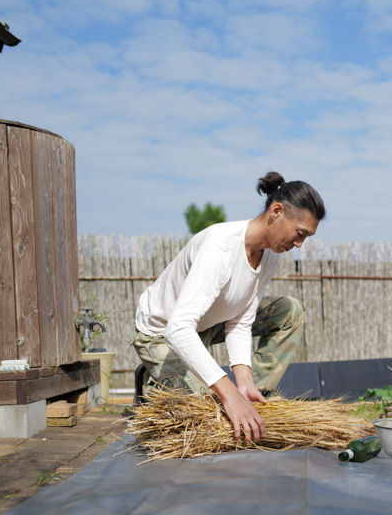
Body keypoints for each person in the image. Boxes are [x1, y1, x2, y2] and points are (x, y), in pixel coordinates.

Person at [132, 172, 325, 444]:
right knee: (208, 413)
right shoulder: (219, 248)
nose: (299, 244)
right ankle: (158, 382)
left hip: (208, 324)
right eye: (300, 233)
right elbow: (177, 329)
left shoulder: (271, 255)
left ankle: (251, 402)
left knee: (290, 310)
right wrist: (227, 393)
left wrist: (242, 381)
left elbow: (241, 319)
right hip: (162, 335)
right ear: (277, 211)